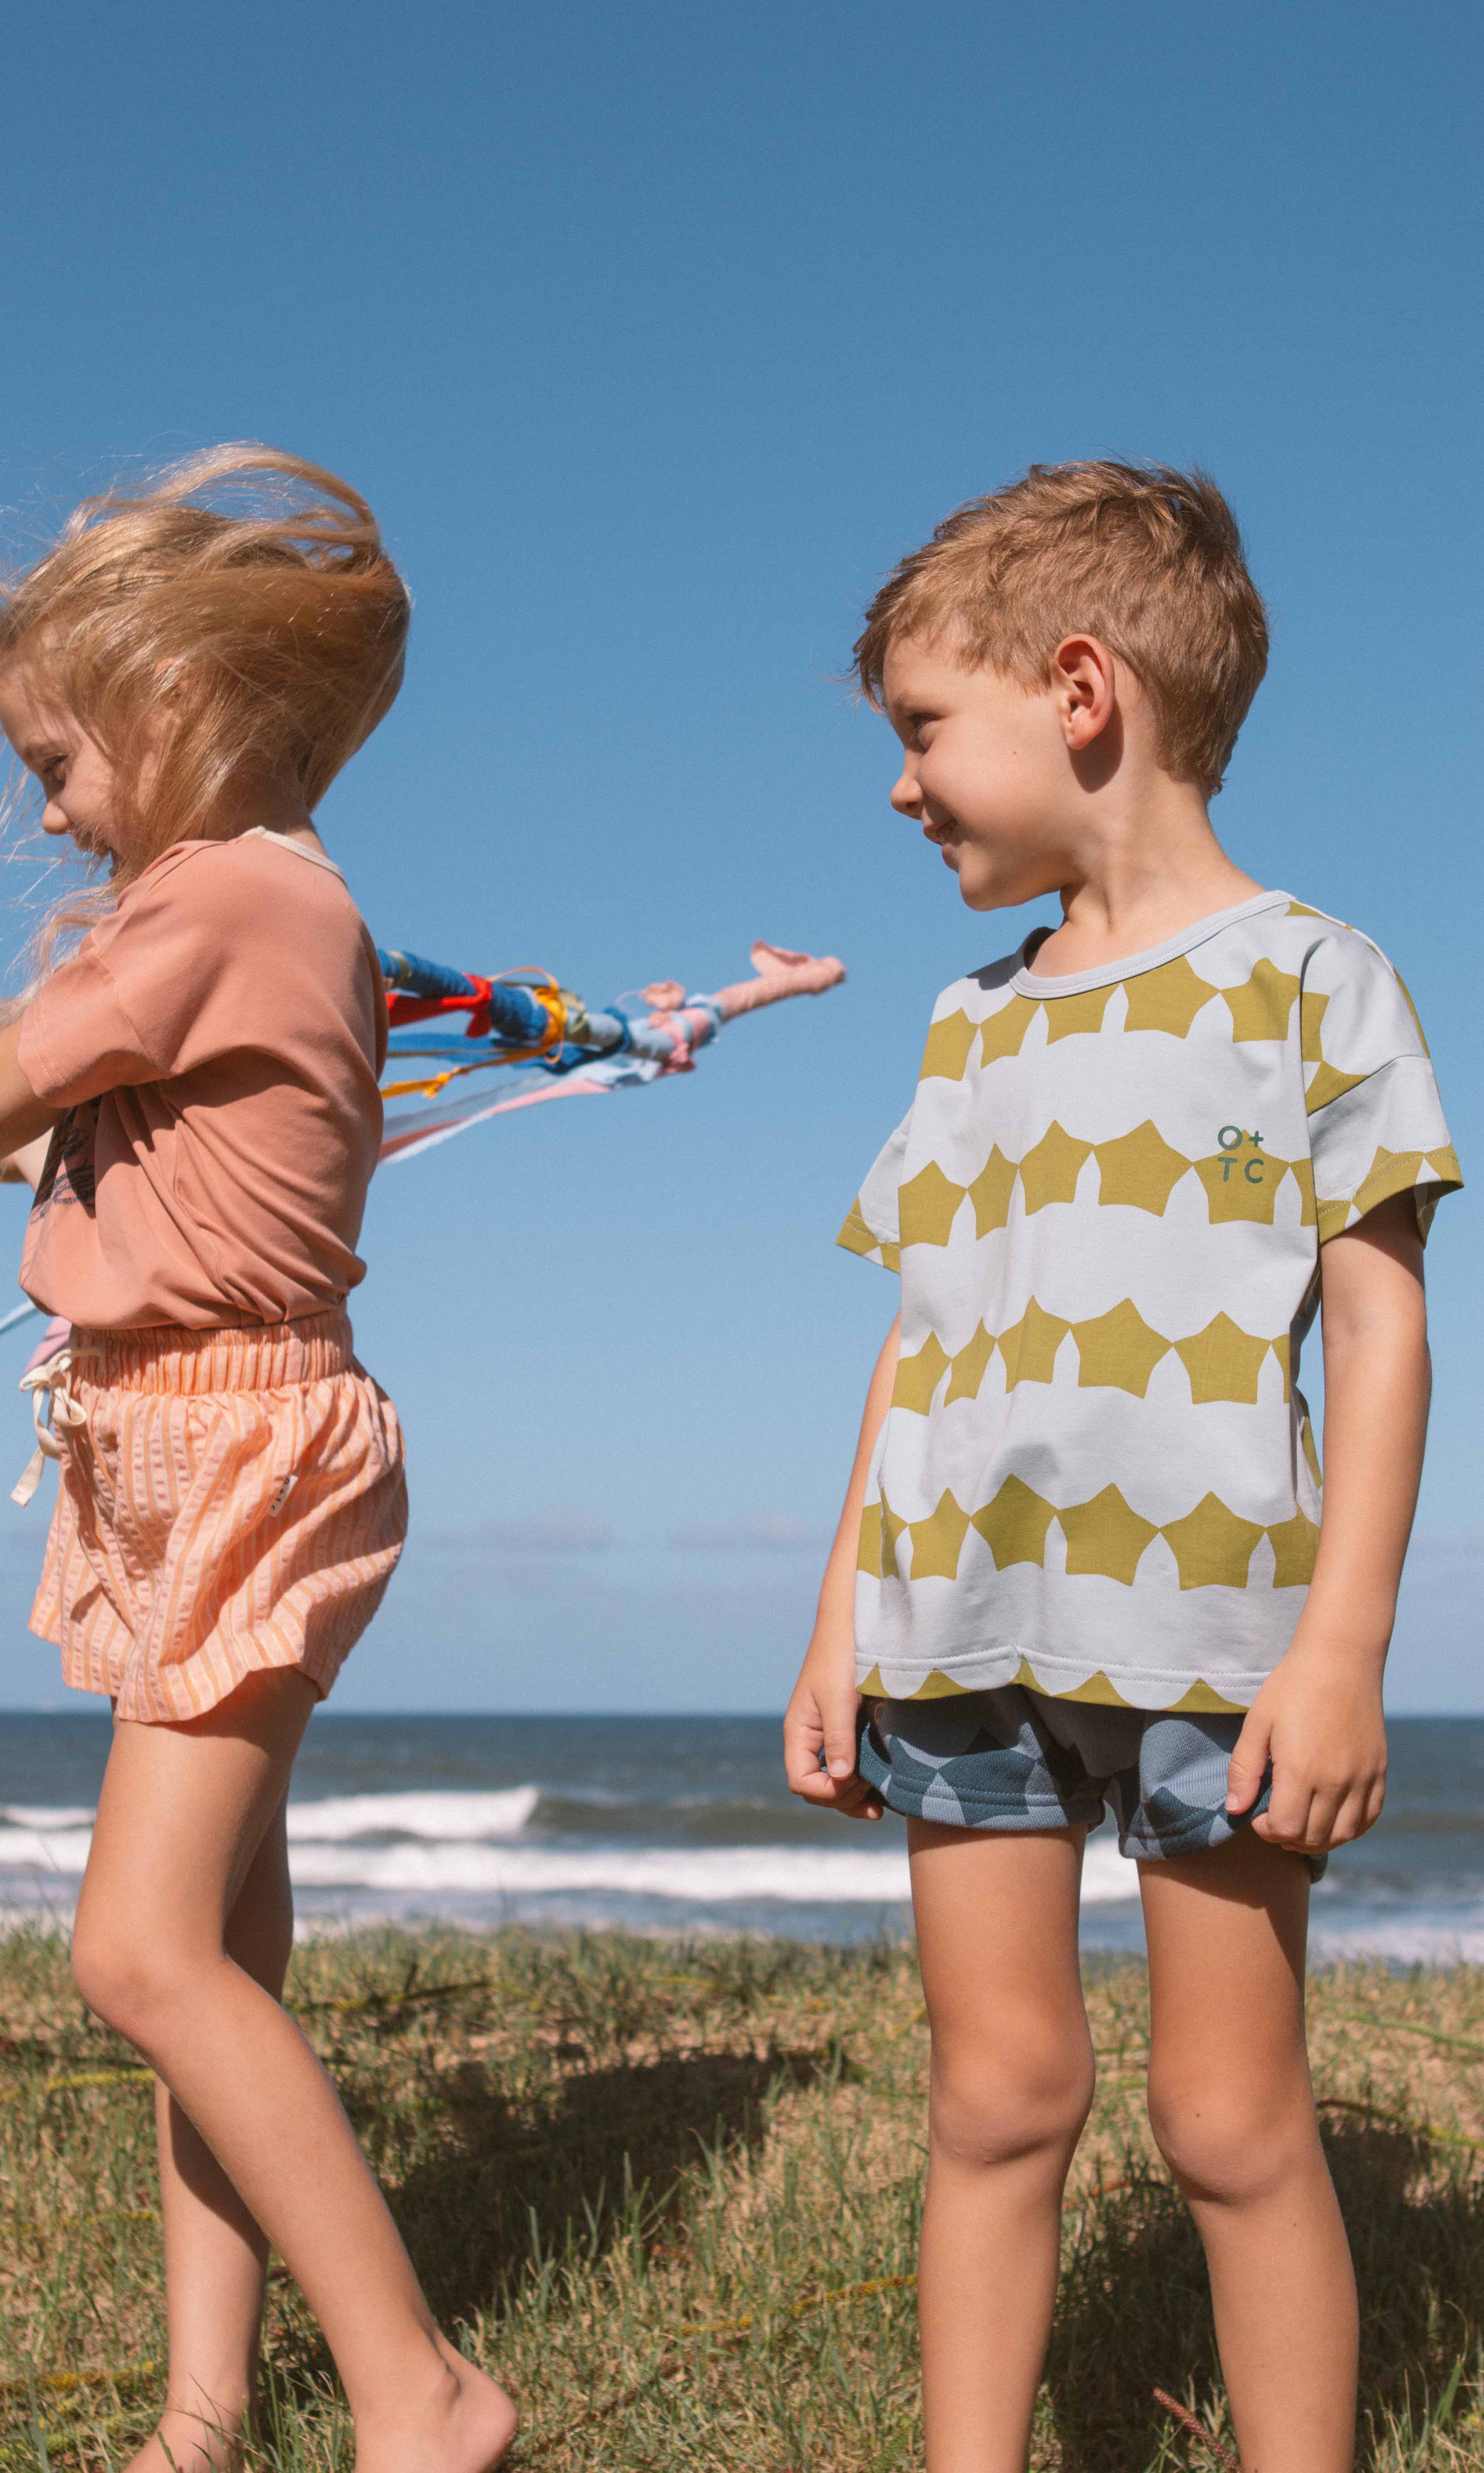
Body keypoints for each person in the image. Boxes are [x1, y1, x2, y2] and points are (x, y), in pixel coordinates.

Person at [0, 447, 517, 2473]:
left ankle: (423, 2395)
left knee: (135, 1955)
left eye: (61, 756)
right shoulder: (257, 906)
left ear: (183, 709)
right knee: (214, 1957)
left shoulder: (222, 897)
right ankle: (204, 2412)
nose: (46, 804)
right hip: (178, 1426)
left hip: (234, 1442)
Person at [783, 461, 1460, 2473]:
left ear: (1082, 690)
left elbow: (1383, 1329)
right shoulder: (965, 1029)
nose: (902, 787)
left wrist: (1339, 1655)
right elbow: (918, 1339)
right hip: (955, 1638)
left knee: (1231, 2125)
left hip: (1213, 1648)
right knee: (993, 2100)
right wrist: (840, 1625)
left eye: (924, 730)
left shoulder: (1316, 983)